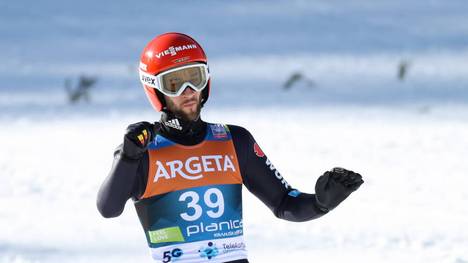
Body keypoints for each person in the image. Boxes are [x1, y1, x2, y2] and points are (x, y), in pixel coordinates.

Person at [97, 32, 364, 263]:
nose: (189, 91)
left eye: (195, 77)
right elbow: (108, 209)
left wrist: (320, 204)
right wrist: (127, 157)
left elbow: (284, 203)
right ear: (156, 89)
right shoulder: (144, 150)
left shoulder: (234, 141)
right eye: (175, 83)